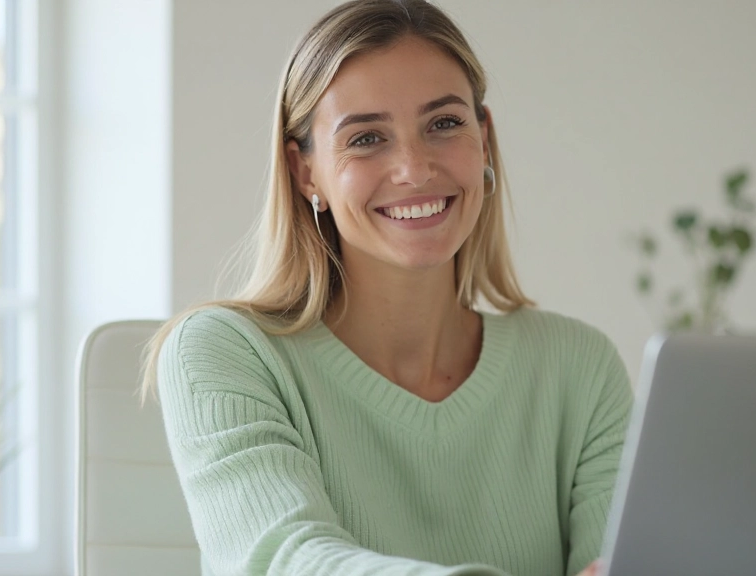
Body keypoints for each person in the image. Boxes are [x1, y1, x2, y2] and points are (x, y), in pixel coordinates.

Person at [142, 1, 633, 574]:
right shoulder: (223, 352)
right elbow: (286, 562)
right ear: (305, 172)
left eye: (444, 124)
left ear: (483, 140)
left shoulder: (580, 369)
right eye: (367, 137)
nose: (414, 169)